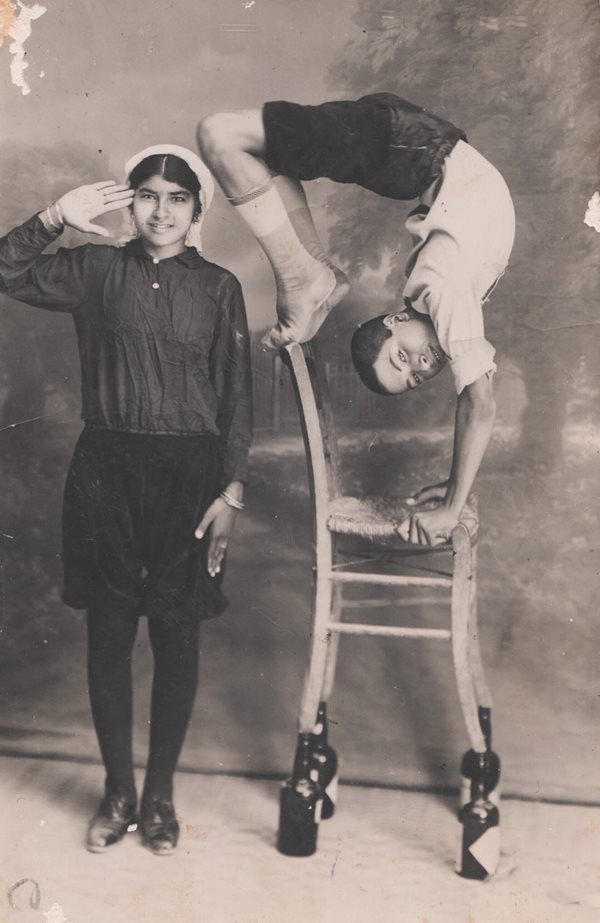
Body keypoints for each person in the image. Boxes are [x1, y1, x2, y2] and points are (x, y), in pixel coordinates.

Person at [0, 145, 252, 854]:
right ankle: (118, 791)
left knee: (176, 634)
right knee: (109, 633)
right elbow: (6, 267)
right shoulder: (94, 270)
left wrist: (230, 489)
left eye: (177, 198)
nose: (161, 209)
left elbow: (237, 397)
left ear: (197, 211)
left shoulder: (220, 287)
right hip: (106, 467)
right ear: (129, 202)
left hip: (189, 477)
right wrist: (56, 216)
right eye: (146, 194)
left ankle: (161, 797)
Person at [196, 93, 515, 547]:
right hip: (414, 146)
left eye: (401, 356)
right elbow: (478, 401)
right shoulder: (447, 304)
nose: (421, 365)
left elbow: (480, 404)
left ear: (396, 318)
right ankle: (313, 273)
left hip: (402, 141)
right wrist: (454, 490)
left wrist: (450, 507)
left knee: (218, 136)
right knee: (253, 157)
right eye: (415, 375)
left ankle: (305, 277)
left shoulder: (444, 296)